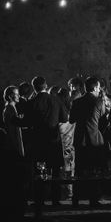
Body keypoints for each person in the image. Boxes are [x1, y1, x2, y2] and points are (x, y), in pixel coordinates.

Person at [26, 76, 68, 205]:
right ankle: (56, 199)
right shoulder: (56, 100)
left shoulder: (32, 102)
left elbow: (28, 121)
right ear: (46, 85)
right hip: (54, 139)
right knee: (55, 170)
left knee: (40, 170)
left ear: (34, 88)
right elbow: (65, 118)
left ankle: (40, 199)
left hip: (39, 140)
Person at [69, 76, 107, 205]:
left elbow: (71, 120)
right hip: (94, 139)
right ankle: (93, 198)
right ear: (96, 87)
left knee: (79, 169)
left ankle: (76, 197)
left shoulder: (77, 102)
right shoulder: (98, 102)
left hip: (80, 138)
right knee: (93, 169)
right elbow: (103, 120)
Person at [3, 86, 25, 156]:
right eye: (17, 94)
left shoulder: (11, 107)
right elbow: (12, 129)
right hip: (14, 143)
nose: (19, 96)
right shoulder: (10, 109)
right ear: (10, 96)